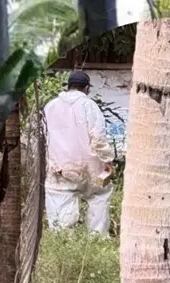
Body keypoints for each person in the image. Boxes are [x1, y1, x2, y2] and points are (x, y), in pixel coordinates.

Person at [43, 71, 116, 236]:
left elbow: (40, 138)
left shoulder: (50, 106)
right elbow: (98, 138)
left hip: (58, 168)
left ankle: (62, 241)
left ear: (68, 86)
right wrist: (108, 162)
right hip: (89, 169)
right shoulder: (89, 106)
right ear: (86, 88)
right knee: (100, 196)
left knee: (60, 202)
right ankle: (97, 238)